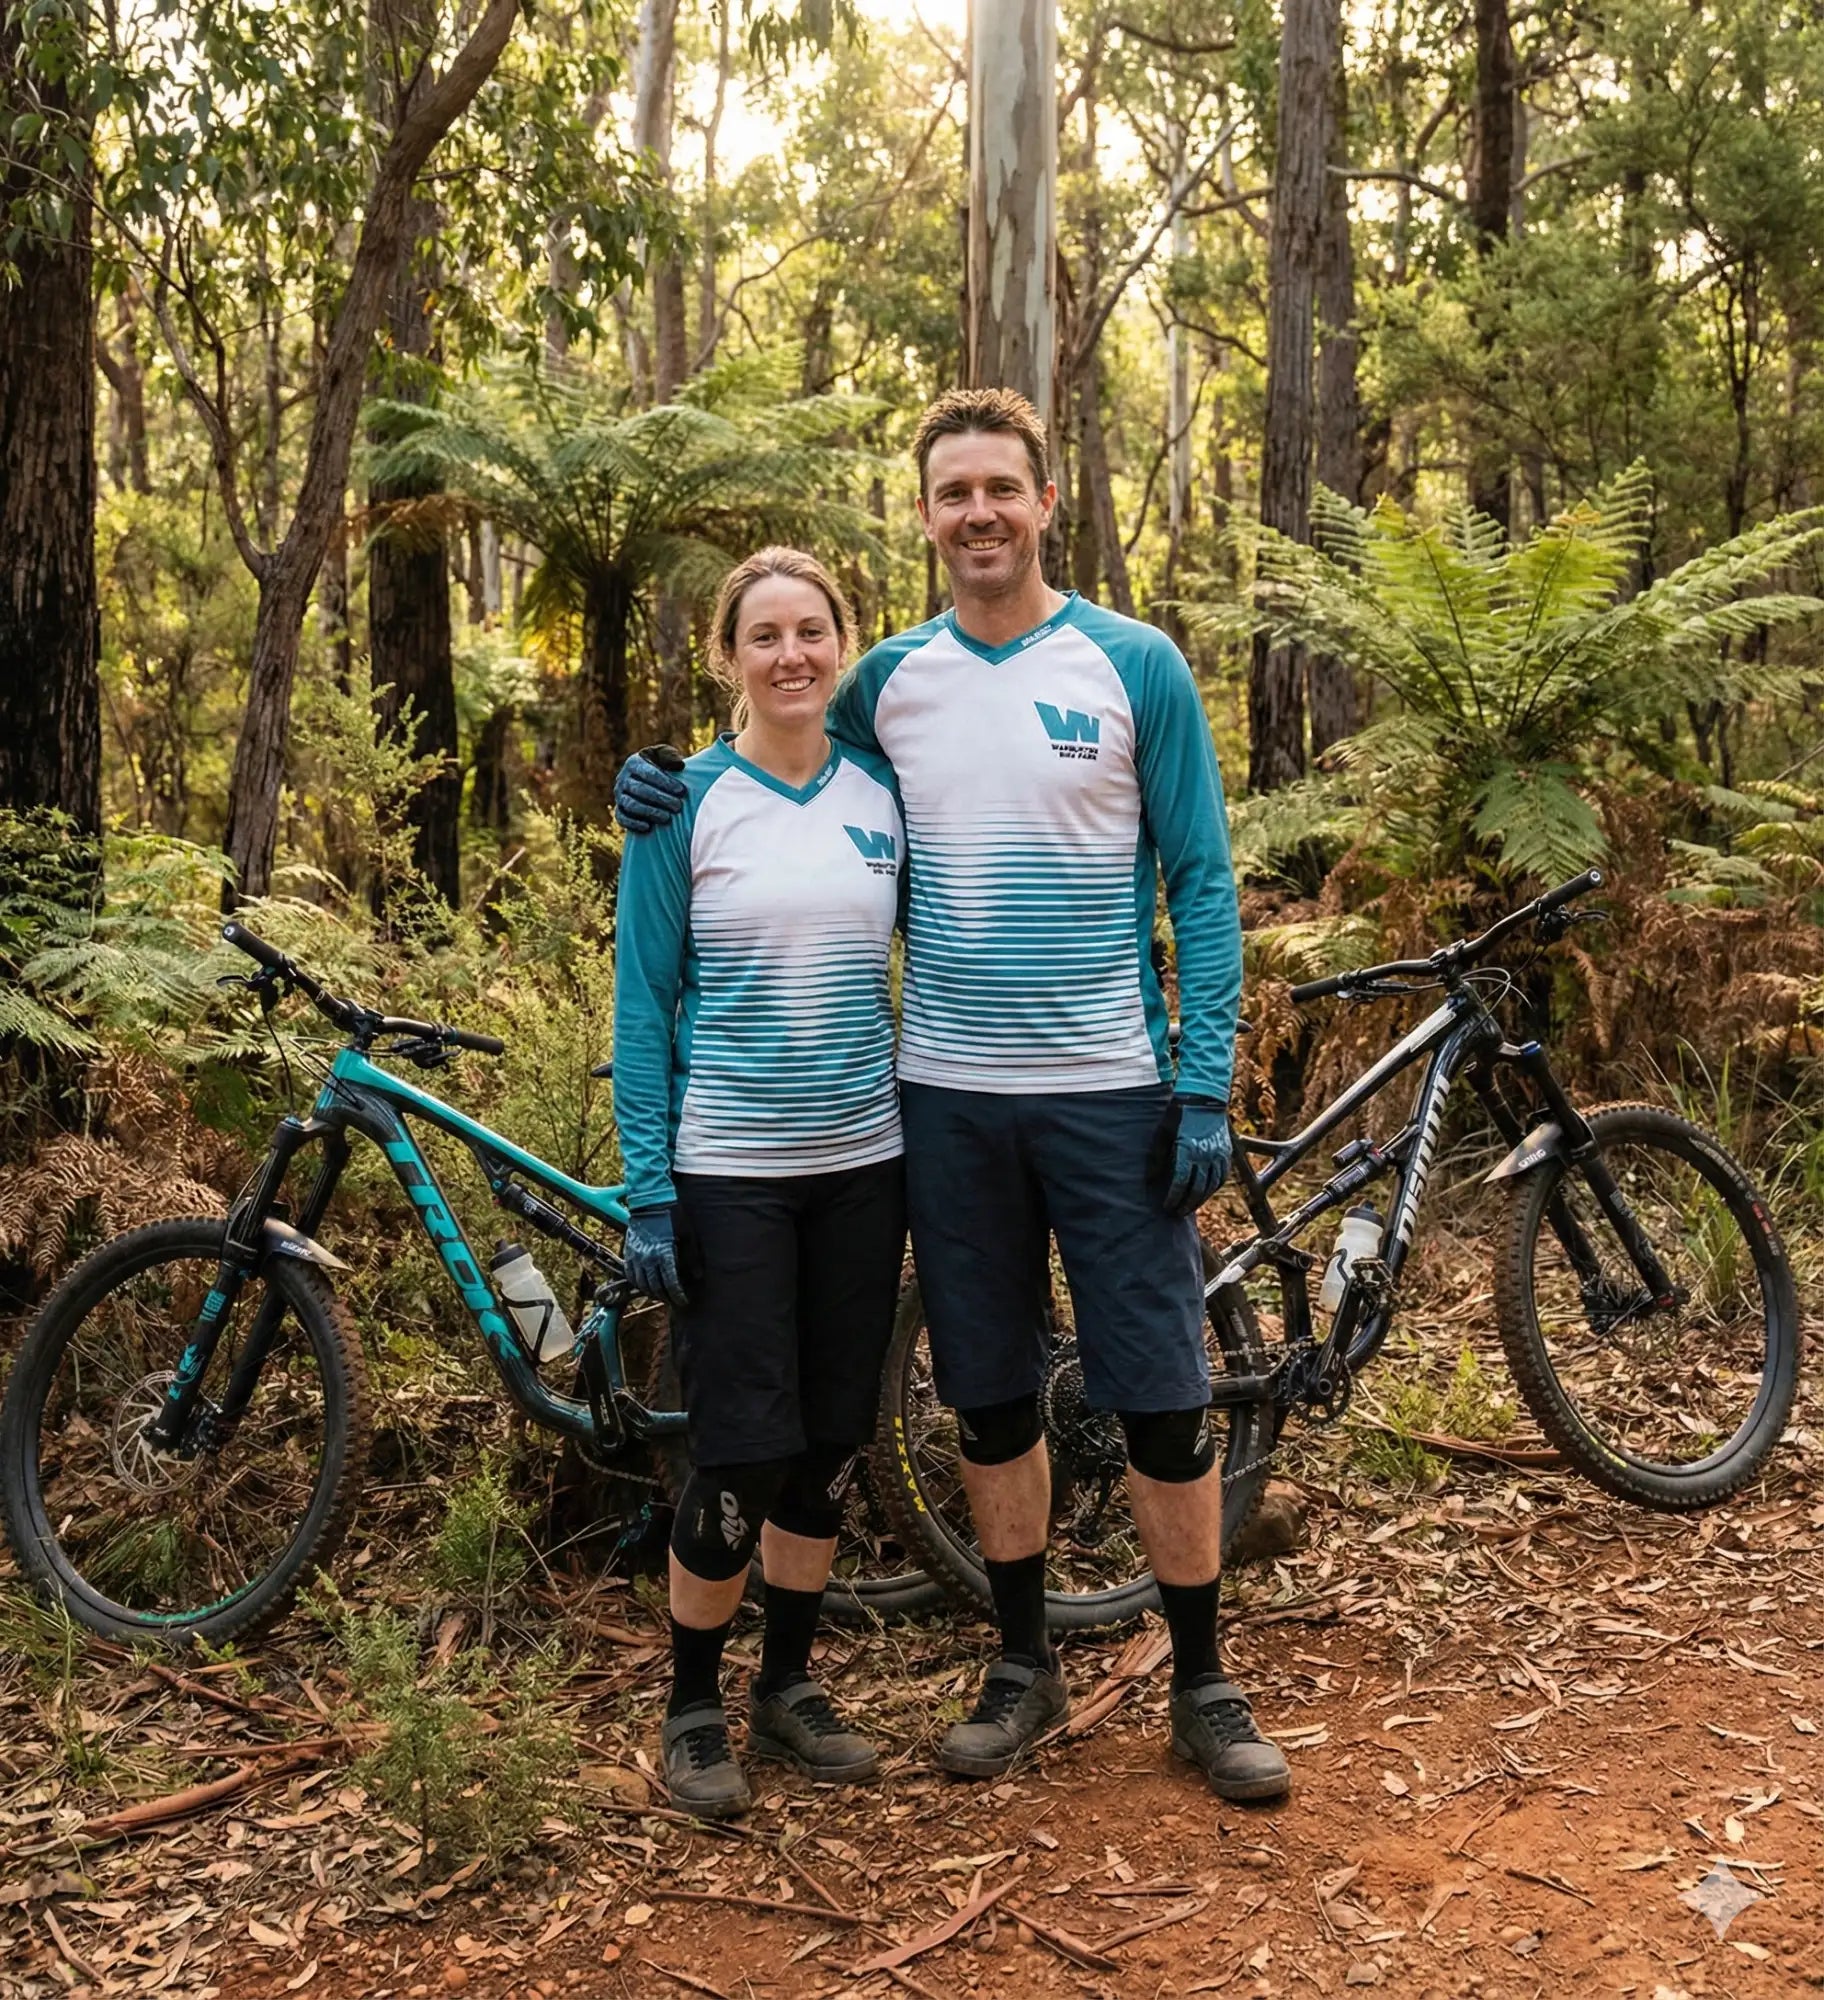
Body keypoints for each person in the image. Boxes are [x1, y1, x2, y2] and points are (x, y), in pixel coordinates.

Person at [618, 391, 1289, 1804]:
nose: (978, 511)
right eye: (952, 492)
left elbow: (1204, 882)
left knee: (1162, 1399)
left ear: (1047, 502)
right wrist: (657, 787)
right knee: (987, 1397)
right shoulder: (889, 683)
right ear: (924, 519)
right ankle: (1022, 1666)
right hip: (941, 1105)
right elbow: (777, 742)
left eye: (1002, 486)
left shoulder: (1135, 666)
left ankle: (1204, 1684)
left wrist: (1204, 1078)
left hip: (1112, 1091)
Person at [612, 547, 908, 1819]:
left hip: (865, 1165)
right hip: (727, 1173)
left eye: (812, 630)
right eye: (764, 635)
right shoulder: (682, 804)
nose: (791, 654)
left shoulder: (885, 794)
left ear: (843, 644)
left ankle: (785, 1688)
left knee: (830, 1443)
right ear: (728, 657)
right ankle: (691, 1705)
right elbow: (643, 1005)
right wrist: (648, 1192)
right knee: (737, 1450)